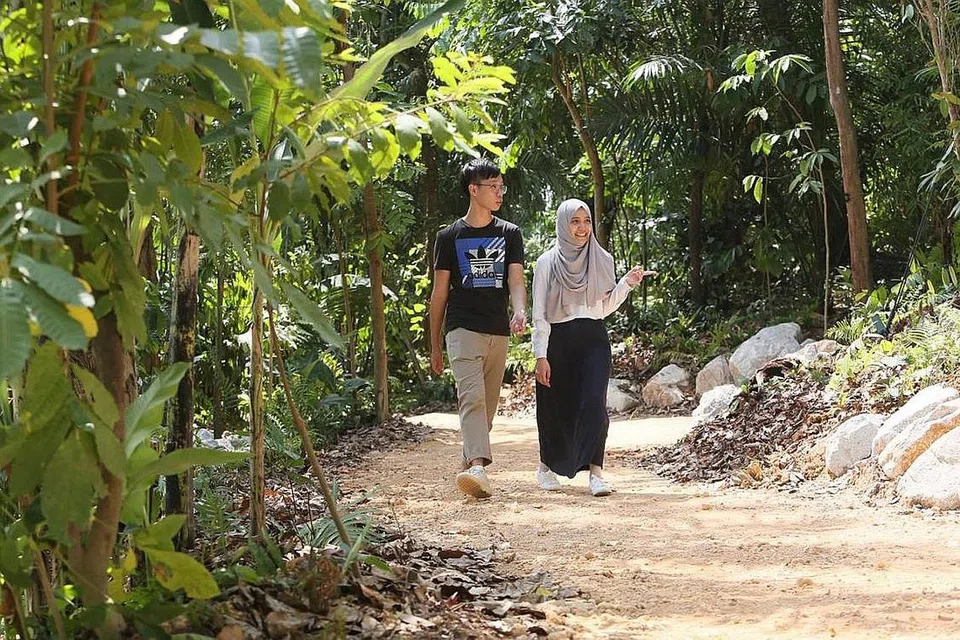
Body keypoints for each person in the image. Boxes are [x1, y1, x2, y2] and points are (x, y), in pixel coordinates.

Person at [531, 198, 652, 497]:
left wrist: (626, 284)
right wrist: (540, 355)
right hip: (558, 340)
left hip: (593, 339)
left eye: (586, 221)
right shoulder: (546, 263)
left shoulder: (602, 259)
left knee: (595, 405)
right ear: (563, 224)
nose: (582, 228)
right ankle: (546, 466)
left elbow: (604, 307)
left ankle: (596, 472)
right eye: (575, 221)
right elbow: (539, 315)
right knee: (555, 405)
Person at [430, 158, 527, 499]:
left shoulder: (509, 233)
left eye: (502, 187)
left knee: (486, 408)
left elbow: (515, 279)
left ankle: (469, 465)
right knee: (471, 400)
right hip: (462, 328)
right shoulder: (448, 236)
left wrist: (519, 312)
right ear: (474, 190)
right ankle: (478, 469)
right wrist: (435, 346)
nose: (500, 192)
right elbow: (439, 294)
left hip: (497, 329)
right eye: (493, 187)